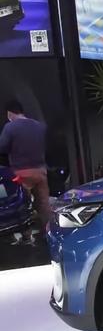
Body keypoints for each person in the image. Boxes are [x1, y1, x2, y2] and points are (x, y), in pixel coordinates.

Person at [0, 100, 50, 240]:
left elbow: (2, 147)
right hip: (40, 171)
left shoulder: (10, 127)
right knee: (44, 204)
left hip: (21, 173)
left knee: (22, 205)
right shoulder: (39, 126)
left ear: (10, 113)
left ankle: (26, 236)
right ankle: (48, 232)